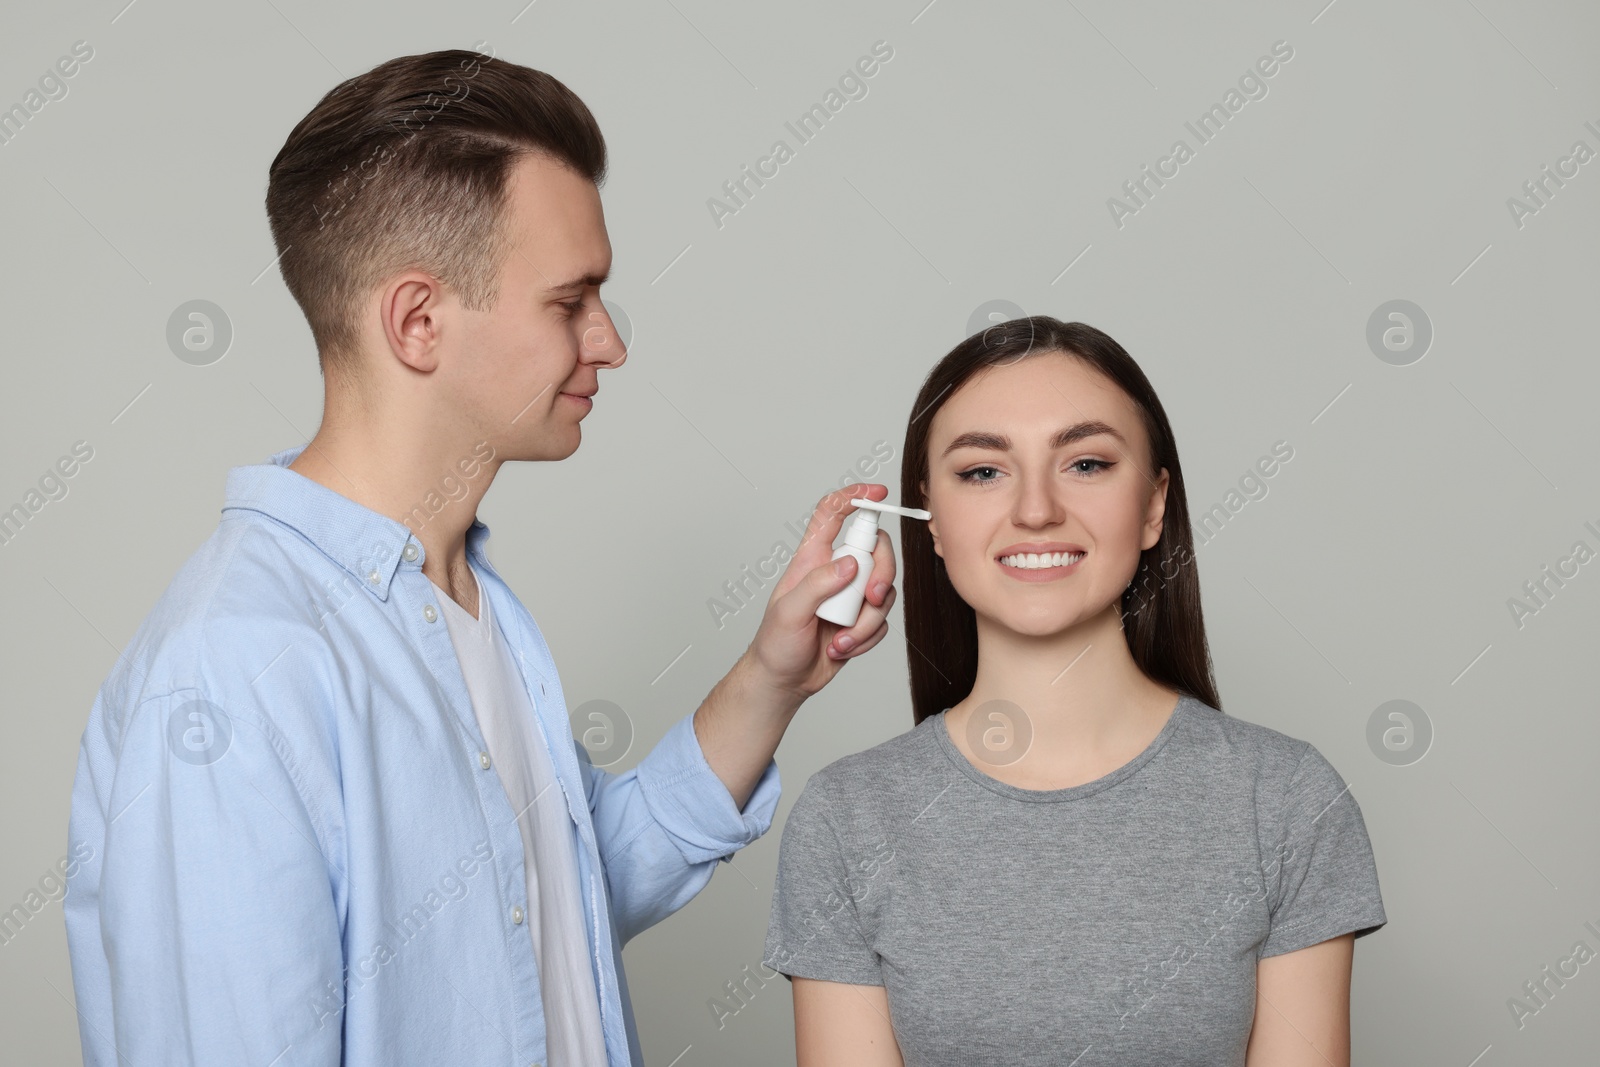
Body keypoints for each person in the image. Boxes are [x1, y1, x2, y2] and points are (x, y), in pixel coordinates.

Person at [62, 49, 901, 1067]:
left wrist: (774, 676)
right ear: (418, 322)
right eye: (569, 300)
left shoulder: (466, 605)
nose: (609, 342)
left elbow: (572, 887)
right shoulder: (238, 666)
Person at [763, 317, 1387, 1066]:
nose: (1035, 510)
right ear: (930, 519)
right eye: (983, 471)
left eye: (1086, 464)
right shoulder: (846, 820)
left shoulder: (1285, 802)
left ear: (1154, 504)